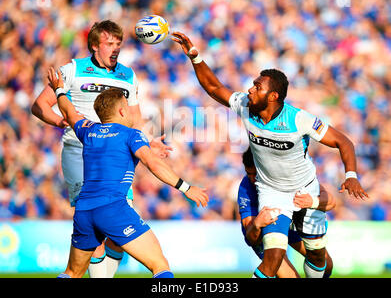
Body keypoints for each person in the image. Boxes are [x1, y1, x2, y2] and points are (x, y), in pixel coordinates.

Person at [171, 31, 368, 278]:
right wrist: (195, 56)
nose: (250, 89)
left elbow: (343, 141)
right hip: (271, 191)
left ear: (273, 96)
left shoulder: (298, 119)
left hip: (304, 189)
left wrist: (351, 175)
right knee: (273, 258)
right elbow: (213, 87)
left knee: (319, 257)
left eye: (257, 86)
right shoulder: (245, 105)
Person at [31, 20, 171, 277]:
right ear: (94, 46)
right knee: (95, 224)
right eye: (109, 43)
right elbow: (40, 105)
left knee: (118, 230)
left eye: (118, 43)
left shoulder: (128, 75)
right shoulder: (73, 69)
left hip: (115, 155)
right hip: (79, 150)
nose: (115, 48)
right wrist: (61, 121)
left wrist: (148, 142)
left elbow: (135, 119)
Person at [47, 67, 209, 278]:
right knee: (159, 265)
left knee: (72, 273)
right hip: (113, 207)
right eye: (128, 107)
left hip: (84, 211)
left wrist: (59, 90)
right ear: (122, 111)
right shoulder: (131, 135)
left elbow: (69, 112)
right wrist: (186, 188)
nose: (132, 112)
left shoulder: (88, 130)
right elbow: (154, 164)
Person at [239, 147, 335, 278]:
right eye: (248, 174)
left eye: (255, 174)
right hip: (264, 231)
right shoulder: (246, 188)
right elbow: (250, 239)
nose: (252, 179)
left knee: (325, 264)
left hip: (291, 225)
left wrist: (312, 201)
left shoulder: (289, 176)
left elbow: (331, 202)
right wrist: (256, 224)